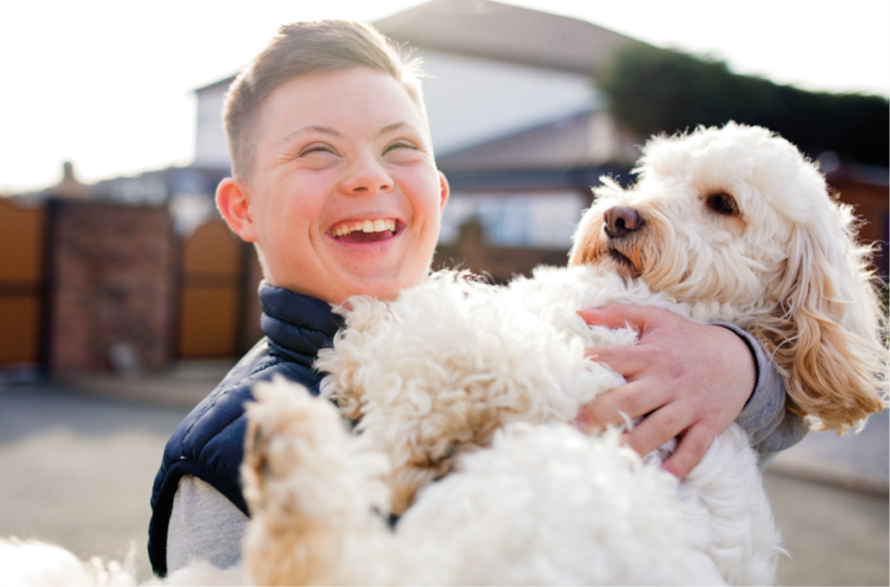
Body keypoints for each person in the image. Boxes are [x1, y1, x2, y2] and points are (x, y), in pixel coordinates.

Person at [148, 20, 807, 576]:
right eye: (318, 151)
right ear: (243, 209)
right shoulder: (223, 459)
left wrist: (738, 366)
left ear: (437, 192)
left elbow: (780, 413)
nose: (369, 177)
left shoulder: (518, 326)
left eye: (398, 147)